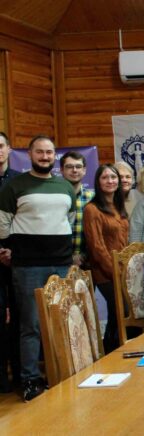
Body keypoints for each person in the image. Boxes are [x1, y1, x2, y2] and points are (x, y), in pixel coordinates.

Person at [0, 135, 75, 401]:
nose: (45, 156)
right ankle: (30, 379)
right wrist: (9, 247)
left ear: (55, 156)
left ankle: (61, 372)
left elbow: (68, 219)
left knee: (61, 321)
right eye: (40, 152)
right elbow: (3, 223)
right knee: (30, 325)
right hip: (28, 266)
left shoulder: (65, 186)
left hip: (61, 264)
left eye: (49, 152)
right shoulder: (15, 185)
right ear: (30, 154)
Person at [83, 164, 128, 353]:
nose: (110, 181)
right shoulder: (92, 209)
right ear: (98, 182)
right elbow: (97, 247)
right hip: (105, 272)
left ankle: (113, 351)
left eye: (113, 177)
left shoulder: (118, 207)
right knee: (121, 311)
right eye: (105, 177)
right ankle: (111, 351)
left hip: (123, 271)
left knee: (117, 314)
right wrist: (115, 271)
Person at [0, 132, 19, 393]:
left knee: (20, 318)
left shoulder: (20, 181)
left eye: (1, 146)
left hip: (18, 258)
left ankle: (20, 372)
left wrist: (13, 251)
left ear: (9, 149)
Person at [60, 151, 94, 267]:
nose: (74, 170)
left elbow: (97, 233)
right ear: (61, 170)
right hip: (59, 261)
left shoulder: (93, 198)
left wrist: (83, 256)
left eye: (78, 167)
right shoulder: (55, 197)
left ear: (84, 170)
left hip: (86, 262)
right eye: (69, 167)